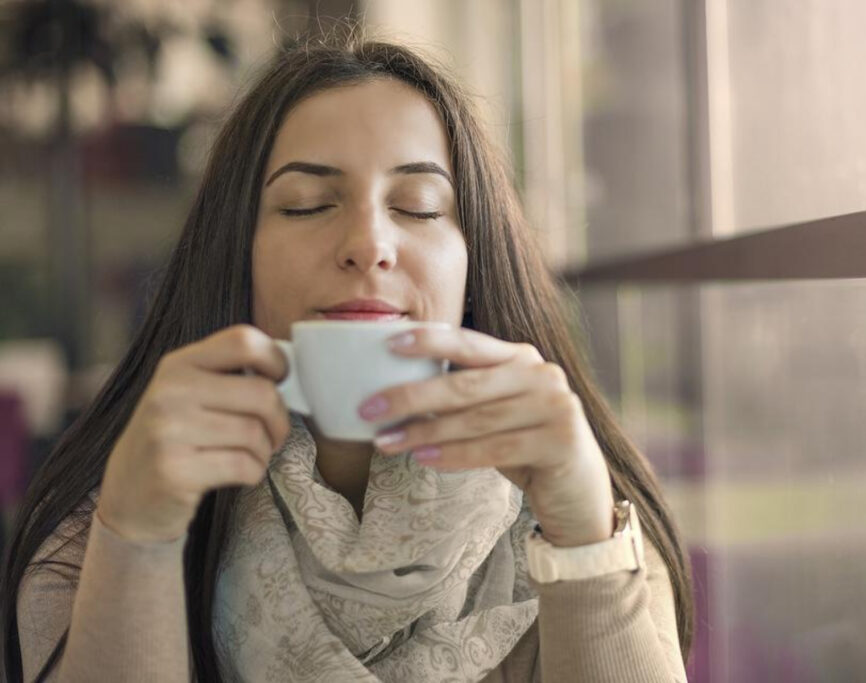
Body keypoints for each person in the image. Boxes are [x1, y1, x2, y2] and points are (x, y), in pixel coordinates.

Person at [1, 35, 693, 682]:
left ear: (475, 263)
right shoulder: (98, 531)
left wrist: (583, 542)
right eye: (306, 204)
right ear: (234, 254)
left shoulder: (593, 515)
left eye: (418, 206)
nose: (369, 242)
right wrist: (138, 538)